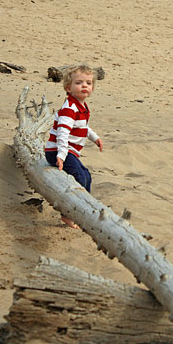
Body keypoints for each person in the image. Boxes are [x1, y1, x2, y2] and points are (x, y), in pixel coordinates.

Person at [45, 64, 103, 228]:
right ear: (68, 88)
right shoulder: (69, 108)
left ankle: (85, 207)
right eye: (79, 83)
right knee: (79, 176)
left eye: (88, 83)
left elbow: (83, 127)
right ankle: (68, 213)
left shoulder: (81, 106)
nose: (84, 86)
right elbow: (62, 133)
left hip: (69, 151)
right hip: (57, 150)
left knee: (86, 175)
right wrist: (61, 156)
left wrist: (95, 138)